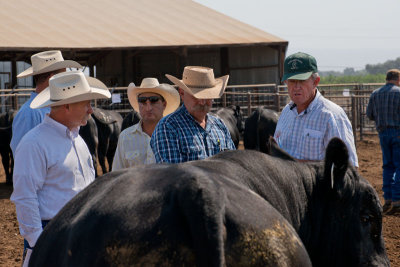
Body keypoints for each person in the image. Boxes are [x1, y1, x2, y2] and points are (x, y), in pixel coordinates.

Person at [10, 71, 111, 266]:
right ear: (66, 106)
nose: (91, 110)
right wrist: (39, 244)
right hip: (53, 234)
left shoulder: (78, 140)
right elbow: (25, 196)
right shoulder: (34, 143)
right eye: (86, 104)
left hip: (81, 233)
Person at [274, 52, 358, 167]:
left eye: (302, 80)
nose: (296, 87)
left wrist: (294, 166)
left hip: (317, 185)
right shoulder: (286, 112)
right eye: (292, 81)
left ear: (315, 82)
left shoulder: (332, 116)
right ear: (286, 82)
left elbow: (347, 168)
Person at [151, 66, 235, 163]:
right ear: (181, 93)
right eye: (196, 96)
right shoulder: (168, 127)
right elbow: (172, 175)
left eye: (207, 96)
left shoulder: (219, 125)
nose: (202, 102)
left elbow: (232, 166)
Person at [10, 50, 82, 155]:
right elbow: (22, 155)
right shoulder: (29, 113)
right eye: (63, 75)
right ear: (51, 78)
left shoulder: (38, 111)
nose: (66, 79)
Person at [112, 78, 180, 170]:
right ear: (138, 104)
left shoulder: (176, 135)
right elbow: (117, 174)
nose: (148, 108)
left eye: (154, 100)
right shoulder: (125, 137)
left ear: (164, 104)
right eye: (143, 101)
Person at [366, 69, 400, 215]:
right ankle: (397, 200)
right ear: (397, 79)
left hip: (383, 132)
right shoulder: (399, 92)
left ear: (387, 78)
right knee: (399, 165)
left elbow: (370, 114)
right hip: (398, 132)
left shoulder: (375, 93)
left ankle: (387, 199)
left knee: (387, 165)